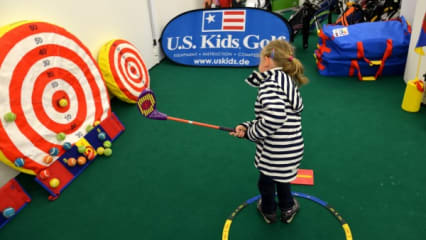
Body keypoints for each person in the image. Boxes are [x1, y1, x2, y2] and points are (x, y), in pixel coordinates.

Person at [230, 39, 308, 224]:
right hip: (292, 147)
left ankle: (268, 211)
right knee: (282, 178)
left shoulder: (270, 84)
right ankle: (288, 207)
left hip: (276, 151)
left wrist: (251, 133)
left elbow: (274, 117)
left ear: (266, 60)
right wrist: (248, 125)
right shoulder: (287, 80)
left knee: (266, 182)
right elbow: (275, 116)